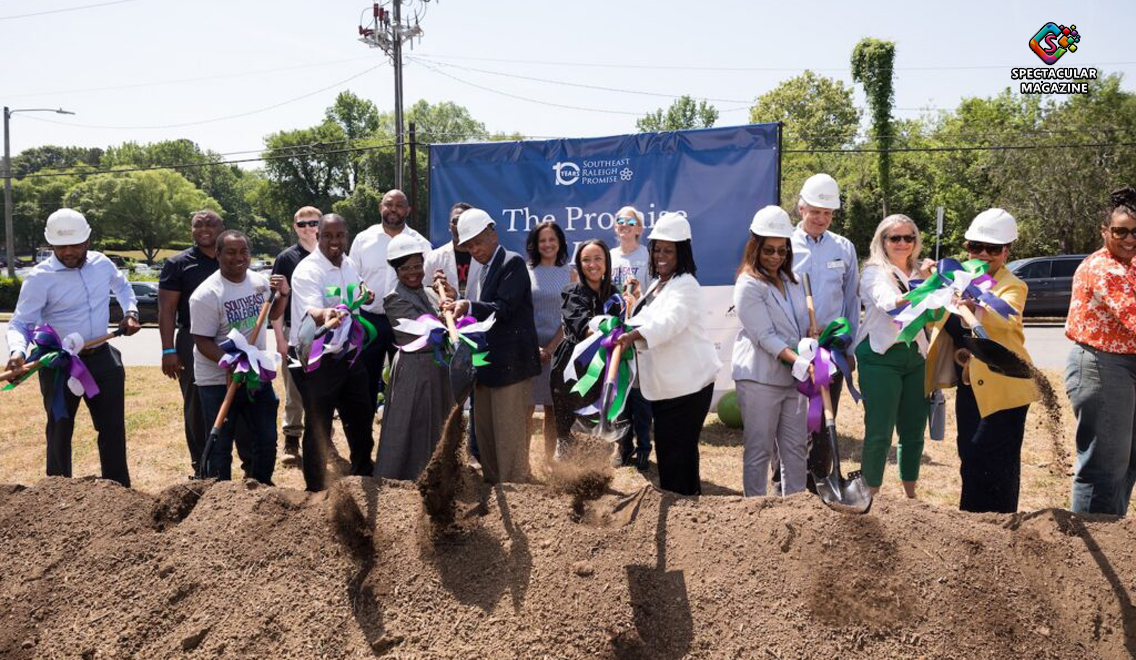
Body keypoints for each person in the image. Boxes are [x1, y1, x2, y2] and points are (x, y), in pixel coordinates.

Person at [5, 209, 141, 487]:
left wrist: (131, 312)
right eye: (60, 246)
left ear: (87, 241)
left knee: (112, 427)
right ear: (51, 244)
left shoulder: (102, 264)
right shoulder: (40, 278)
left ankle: (118, 490)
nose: (68, 252)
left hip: (102, 358)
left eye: (75, 245)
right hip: (59, 364)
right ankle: (56, 491)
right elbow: (21, 322)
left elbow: (122, 286)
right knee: (60, 427)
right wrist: (17, 351)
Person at [924, 208, 1037, 513]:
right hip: (971, 385)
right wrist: (930, 286)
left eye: (993, 249)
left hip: (1005, 386)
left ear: (1006, 251)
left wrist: (974, 308)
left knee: (998, 464)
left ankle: (1001, 525)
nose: (984, 254)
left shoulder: (1012, 285)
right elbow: (934, 319)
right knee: (970, 457)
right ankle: (972, 525)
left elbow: (1005, 317)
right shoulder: (955, 281)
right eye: (976, 247)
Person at [614, 212, 721, 496]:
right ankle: (684, 509)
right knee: (670, 456)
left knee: (678, 458)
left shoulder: (686, 285)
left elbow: (668, 322)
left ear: (682, 252)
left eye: (668, 251)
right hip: (667, 388)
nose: (661, 256)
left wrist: (633, 336)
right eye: (657, 249)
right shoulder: (660, 283)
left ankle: (687, 512)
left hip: (688, 387)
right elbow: (649, 317)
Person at [444, 208, 541, 484]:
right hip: (485, 364)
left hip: (511, 365)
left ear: (493, 234)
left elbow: (503, 308)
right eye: (469, 246)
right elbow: (480, 310)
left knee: (508, 435)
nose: (475, 250)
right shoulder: (481, 269)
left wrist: (469, 306)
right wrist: (460, 305)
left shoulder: (512, 263)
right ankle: (492, 485)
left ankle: (515, 489)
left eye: (478, 242)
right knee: (485, 433)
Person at [158, 210, 253, 476]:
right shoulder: (178, 263)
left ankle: (251, 464)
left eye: (210, 224)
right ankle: (203, 465)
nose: (204, 229)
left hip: (236, 336)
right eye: (197, 225)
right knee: (198, 403)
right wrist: (168, 349)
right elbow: (166, 309)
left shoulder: (234, 257)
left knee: (245, 398)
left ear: (222, 228)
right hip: (195, 338)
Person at [190, 230, 289, 484]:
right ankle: (219, 494)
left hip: (255, 374)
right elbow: (202, 341)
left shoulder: (259, 282)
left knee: (266, 437)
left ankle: (262, 486)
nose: (239, 257)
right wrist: (233, 362)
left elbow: (273, 314)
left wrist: (284, 295)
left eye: (243, 251)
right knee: (220, 443)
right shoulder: (206, 294)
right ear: (218, 254)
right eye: (231, 252)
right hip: (218, 381)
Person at [289, 214, 377, 492]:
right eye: (328, 236)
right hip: (313, 356)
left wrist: (365, 294)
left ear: (346, 236)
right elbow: (312, 310)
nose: (334, 241)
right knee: (319, 423)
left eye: (339, 235)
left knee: (361, 415)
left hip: (346, 352)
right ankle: (315, 489)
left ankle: (363, 473)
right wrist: (325, 313)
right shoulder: (307, 270)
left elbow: (357, 290)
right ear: (318, 237)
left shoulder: (348, 263)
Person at [732, 206, 812, 497]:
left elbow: (800, 325)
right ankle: (755, 511)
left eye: (781, 250)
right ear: (755, 248)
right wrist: (800, 361)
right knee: (759, 449)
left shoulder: (794, 281)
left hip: (794, 378)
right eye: (769, 250)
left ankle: (797, 507)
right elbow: (765, 336)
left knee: (796, 448)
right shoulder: (748, 284)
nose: (776, 257)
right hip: (760, 378)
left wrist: (813, 341)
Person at [1065, 188, 1136, 515]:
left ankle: (1113, 534)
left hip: (1125, 366)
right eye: (1121, 231)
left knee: (1128, 460)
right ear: (1105, 231)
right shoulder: (1103, 268)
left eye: (1135, 232)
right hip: (1103, 367)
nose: (1129, 239)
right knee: (1104, 467)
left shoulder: (1130, 265)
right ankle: (1092, 539)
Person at [855, 215, 935, 499]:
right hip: (880, 355)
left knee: (914, 429)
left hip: (915, 355)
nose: (903, 243)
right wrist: (932, 285)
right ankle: (870, 496)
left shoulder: (922, 271)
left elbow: (935, 314)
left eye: (909, 237)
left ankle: (910, 496)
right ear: (882, 241)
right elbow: (891, 306)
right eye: (895, 238)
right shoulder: (873, 272)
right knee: (879, 430)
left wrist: (935, 281)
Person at [790, 173, 860, 489]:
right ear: (801, 208)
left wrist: (850, 349)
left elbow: (851, 300)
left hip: (831, 351)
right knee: (791, 423)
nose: (821, 218)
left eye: (827, 213)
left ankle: (820, 484)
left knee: (823, 422)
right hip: (793, 350)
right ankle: (787, 486)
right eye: (815, 211)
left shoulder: (844, 248)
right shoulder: (784, 246)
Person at [374, 234, 454, 481]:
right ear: (396, 270)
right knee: (409, 424)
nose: (413, 273)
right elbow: (422, 335)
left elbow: (452, 317)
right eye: (406, 268)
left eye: (417, 266)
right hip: (414, 370)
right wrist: (447, 320)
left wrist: (449, 297)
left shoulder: (431, 293)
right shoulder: (394, 299)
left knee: (437, 424)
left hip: (438, 369)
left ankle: (436, 475)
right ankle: (399, 477)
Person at [350, 189, 432, 411]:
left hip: (407, 321)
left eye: (399, 205)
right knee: (365, 381)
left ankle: (401, 426)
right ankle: (365, 429)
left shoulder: (420, 243)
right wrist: (361, 291)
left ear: (408, 210)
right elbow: (352, 277)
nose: (393, 209)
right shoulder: (363, 239)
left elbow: (427, 284)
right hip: (370, 321)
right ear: (380, 207)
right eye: (388, 204)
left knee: (407, 381)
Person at [424, 201, 484, 465]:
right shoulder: (436, 257)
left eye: (464, 221)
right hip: (445, 334)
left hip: (477, 334)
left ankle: (474, 451)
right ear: (449, 226)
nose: (459, 226)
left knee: (476, 390)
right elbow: (426, 293)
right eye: (454, 222)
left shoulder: (483, 255)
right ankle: (445, 451)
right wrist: (441, 296)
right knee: (448, 389)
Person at [550, 239, 618, 446]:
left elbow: (622, 325)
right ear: (579, 264)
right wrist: (609, 334)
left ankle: (598, 463)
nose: (592, 264)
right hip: (574, 365)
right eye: (586, 260)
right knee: (570, 427)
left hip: (606, 364)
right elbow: (584, 328)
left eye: (598, 259)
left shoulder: (614, 294)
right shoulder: (571, 291)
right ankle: (566, 460)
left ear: (606, 262)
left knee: (599, 425)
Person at [270, 206, 320, 461]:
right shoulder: (286, 258)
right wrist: (280, 338)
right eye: (302, 224)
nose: (308, 228)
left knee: (324, 387)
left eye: (313, 223)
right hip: (295, 330)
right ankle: (291, 439)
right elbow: (276, 302)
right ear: (294, 227)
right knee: (294, 388)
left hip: (327, 331)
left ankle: (323, 438)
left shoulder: (331, 254)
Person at [611, 205, 654, 470]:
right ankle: (623, 447)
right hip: (616, 333)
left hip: (639, 334)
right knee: (620, 392)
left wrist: (637, 299)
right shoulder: (609, 256)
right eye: (620, 220)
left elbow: (653, 295)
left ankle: (644, 448)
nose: (624, 225)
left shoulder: (646, 256)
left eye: (630, 221)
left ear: (639, 228)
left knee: (640, 394)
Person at [525, 220, 572, 463]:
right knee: (526, 406)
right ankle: (521, 461)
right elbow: (521, 313)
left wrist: (551, 348)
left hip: (559, 349)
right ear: (535, 244)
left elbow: (571, 315)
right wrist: (534, 348)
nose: (547, 244)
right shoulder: (525, 272)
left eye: (552, 239)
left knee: (553, 407)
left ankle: (548, 460)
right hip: (529, 348)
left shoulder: (570, 273)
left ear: (560, 242)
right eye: (542, 240)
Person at [424, 202, 483, 299]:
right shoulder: (434, 257)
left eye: (466, 221)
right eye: (457, 220)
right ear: (449, 227)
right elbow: (425, 292)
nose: (461, 225)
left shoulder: (485, 257)